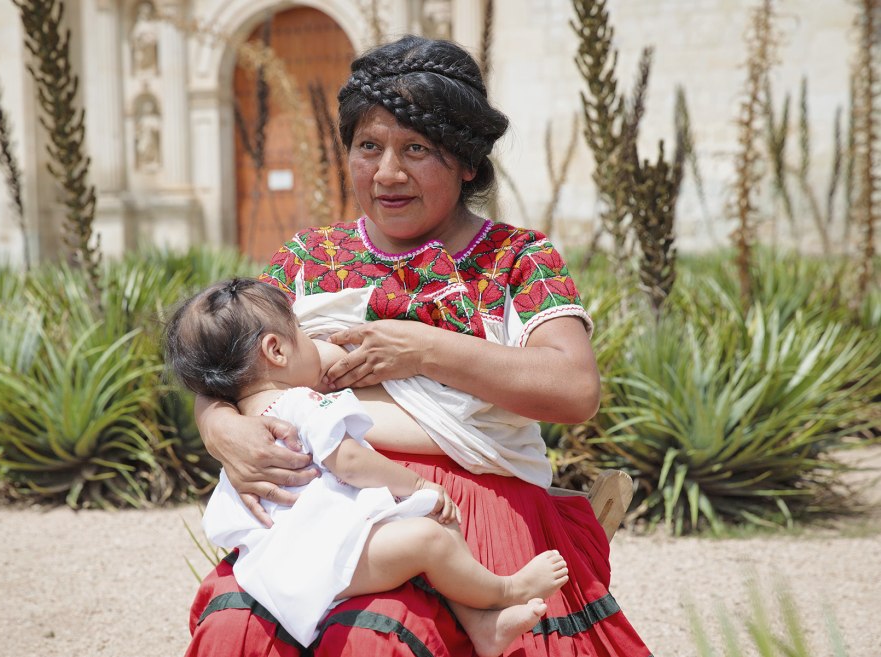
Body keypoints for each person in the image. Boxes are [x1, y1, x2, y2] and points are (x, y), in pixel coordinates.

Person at [185, 35, 651, 657]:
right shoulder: (308, 259)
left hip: (465, 509)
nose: (387, 174)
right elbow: (231, 369)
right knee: (235, 631)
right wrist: (220, 426)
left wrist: (424, 350)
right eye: (368, 147)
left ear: (465, 161)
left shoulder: (516, 260)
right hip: (322, 508)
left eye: (416, 150)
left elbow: (574, 390)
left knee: (379, 639)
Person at [165, 278, 570, 655]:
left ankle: (483, 627)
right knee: (432, 535)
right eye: (304, 334)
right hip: (325, 559)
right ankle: (504, 590)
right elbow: (350, 462)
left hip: (274, 568)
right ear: (276, 350)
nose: (313, 342)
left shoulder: (247, 431)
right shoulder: (301, 404)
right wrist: (417, 485)